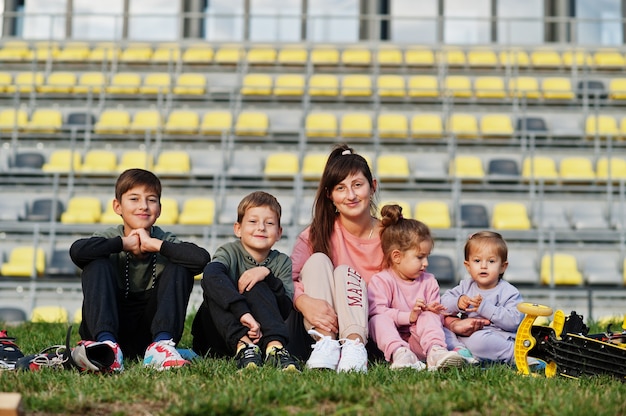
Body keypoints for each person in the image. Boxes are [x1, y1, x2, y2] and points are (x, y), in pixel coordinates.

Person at [70, 168, 211, 371]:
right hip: (110, 328)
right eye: (134, 199)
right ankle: (107, 347)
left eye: (151, 200)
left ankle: (161, 347)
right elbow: (77, 252)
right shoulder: (109, 236)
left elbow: (201, 259)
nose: (143, 206)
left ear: (159, 209)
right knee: (96, 261)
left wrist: (156, 245)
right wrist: (123, 244)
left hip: (149, 334)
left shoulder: (163, 239)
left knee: (181, 264)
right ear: (117, 206)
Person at [288, 143, 382, 373]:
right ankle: (326, 346)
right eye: (341, 188)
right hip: (317, 331)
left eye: (358, 185)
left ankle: (354, 347)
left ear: (373, 187)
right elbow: (286, 280)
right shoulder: (315, 233)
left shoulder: (393, 236)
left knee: (344, 272)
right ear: (330, 195)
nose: (350, 195)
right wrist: (303, 302)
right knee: (318, 261)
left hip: (371, 330)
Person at [191, 191, 299, 371]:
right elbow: (211, 275)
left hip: (262, 334)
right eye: (253, 221)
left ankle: (275, 349)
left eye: (269, 223)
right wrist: (243, 313)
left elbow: (285, 308)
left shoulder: (282, 262)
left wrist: (266, 274)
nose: (261, 228)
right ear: (238, 228)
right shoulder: (229, 251)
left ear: (279, 232)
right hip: (218, 335)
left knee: (257, 284)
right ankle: (245, 347)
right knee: (215, 287)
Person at [367, 204, 465, 371]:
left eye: (427, 257)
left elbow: (436, 321)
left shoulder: (429, 281)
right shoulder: (381, 280)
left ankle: (436, 353)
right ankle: (401, 355)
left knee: (429, 316)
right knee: (377, 320)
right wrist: (409, 316)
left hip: (421, 342)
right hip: (392, 343)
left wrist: (432, 310)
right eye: (420, 257)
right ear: (397, 256)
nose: (426, 263)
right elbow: (377, 311)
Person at [440, 231, 524, 365]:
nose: (483, 266)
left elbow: (514, 321)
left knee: (480, 341)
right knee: (440, 329)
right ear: (468, 266)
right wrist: (458, 302)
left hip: (494, 337)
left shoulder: (508, 291)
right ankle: (461, 352)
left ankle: (516, 355)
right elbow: (443, 304)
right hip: (465, 335)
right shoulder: (465, 286)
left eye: (491, 261)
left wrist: (485, 308)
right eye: (477, 261)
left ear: (503, 267)